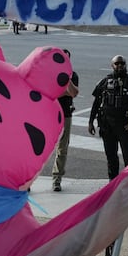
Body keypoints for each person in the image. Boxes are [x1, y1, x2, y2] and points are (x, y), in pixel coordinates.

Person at [88, 55, 128, 179]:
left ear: (125, 65)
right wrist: (90, 122)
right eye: (117, 64)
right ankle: (113, 184)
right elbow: (96, 103)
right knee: (111, 158)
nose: (119, 66)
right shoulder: (105, 81)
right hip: (107, 126)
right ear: (112, 65)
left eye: (122, 63)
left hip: (125, 126)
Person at [52, 49, 79, 191]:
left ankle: (57, 179)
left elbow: (73, 92)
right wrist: (63, 92)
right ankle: (29, 181)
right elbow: (48, 92)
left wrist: (67, 78)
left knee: (62, 149)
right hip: (48, 115)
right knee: (38, 148)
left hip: (65, 115)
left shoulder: (73, 75)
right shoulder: (49, 73)